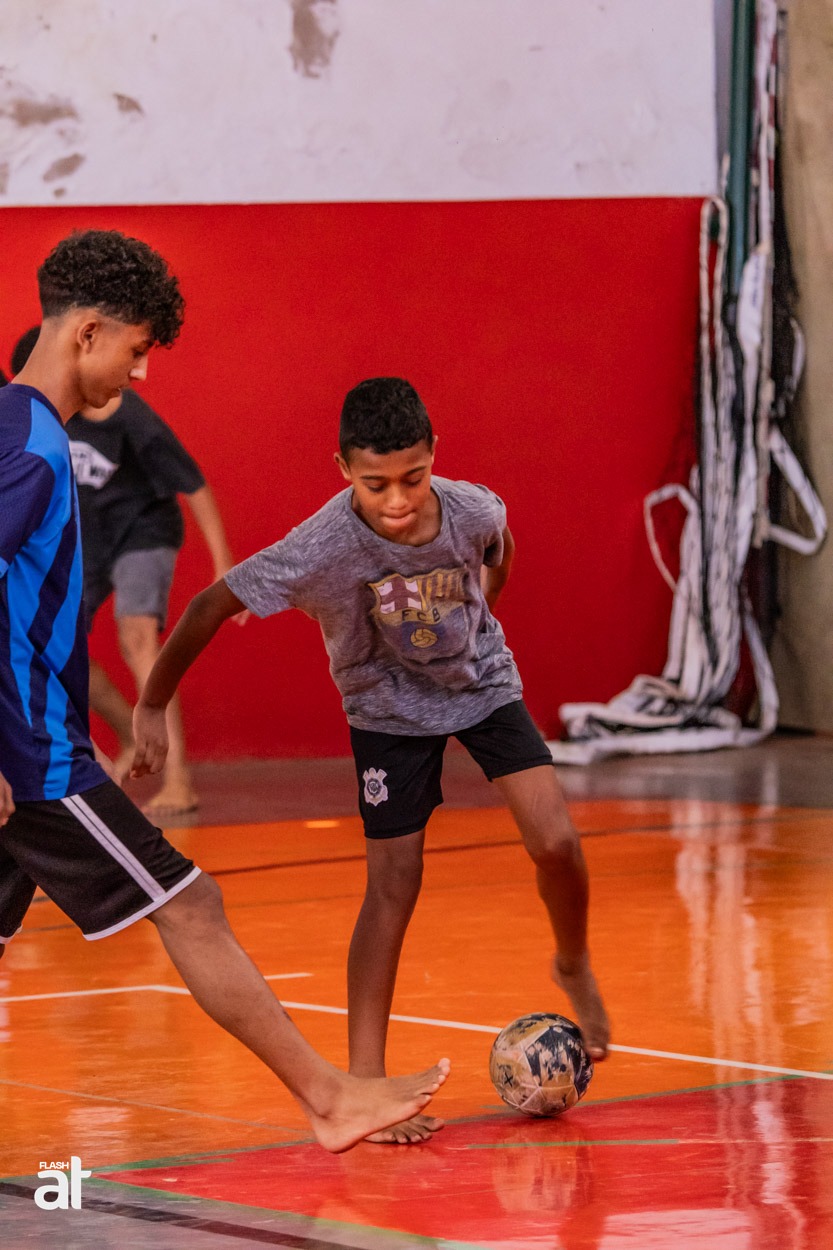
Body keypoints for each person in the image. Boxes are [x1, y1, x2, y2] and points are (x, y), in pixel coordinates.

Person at [0, 234, 449, 1153]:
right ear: (86, 333)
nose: (141, 371)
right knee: (188, 902)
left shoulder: (18, 427)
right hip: (32, 755)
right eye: (136, 349)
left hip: (28, 742)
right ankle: (330, 1101)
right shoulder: (35, 448)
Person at [132, 375, 610, 1146]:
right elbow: (208, 606)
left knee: (554, 840)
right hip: (386, 714)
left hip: (482, 685)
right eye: (375, 483)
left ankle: (573, 961)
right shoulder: (321, 545)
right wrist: (153, 704)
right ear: (343, 470)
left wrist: (481, 616)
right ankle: (364, 1081)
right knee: (393, 883)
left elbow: (498, 549)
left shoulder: (472, 508)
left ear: (434, 456)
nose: (397, 500)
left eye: (413, 478)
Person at [11, 326, 241, 817]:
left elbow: (194, 484)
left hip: (144, 532)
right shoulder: (44, 421)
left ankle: (178, 779)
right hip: (90, 542)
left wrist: (223, 563)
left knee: (136, 636)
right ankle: (128, 734)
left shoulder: (128, 415)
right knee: (58, 646)